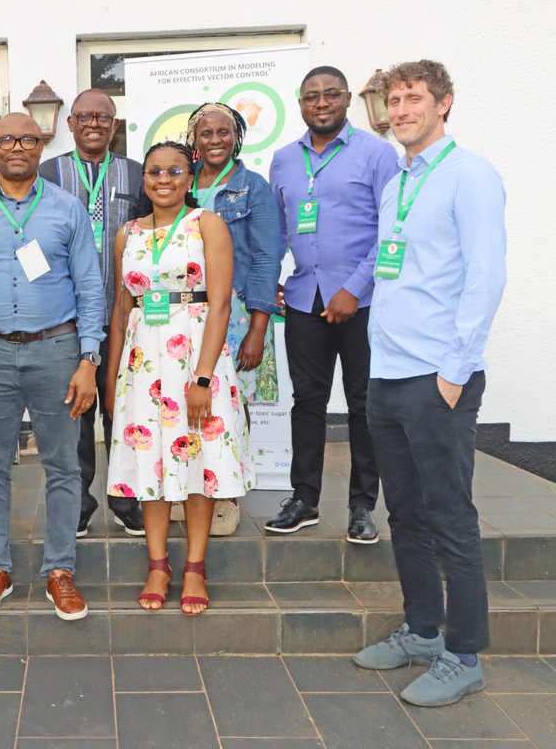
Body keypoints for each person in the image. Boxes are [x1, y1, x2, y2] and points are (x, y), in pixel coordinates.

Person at [352, 61, 506, 708]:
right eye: (394, 99)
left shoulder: (469, 175)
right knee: (405, 514)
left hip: (437, 378)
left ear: (443, 104)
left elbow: (486, 275)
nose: (402, 109)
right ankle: (421, 631)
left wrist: (455, 369)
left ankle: (463, 653)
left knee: (449, 517)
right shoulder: (400, 184)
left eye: (414, 98)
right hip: (387, 376)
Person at [0, 112, 104, 621]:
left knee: (63, 466)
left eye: (28, 139)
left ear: (41, 146)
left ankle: (60, 570)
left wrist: (89, 359)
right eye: (7, 139)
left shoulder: (67, 208)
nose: (17, 147)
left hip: (57, 351)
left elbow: (90, 287)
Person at [105, 141, 256, 616]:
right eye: (154, 171)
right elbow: (120, 310)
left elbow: (221, 304)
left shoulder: (206, 225)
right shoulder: (125, 234)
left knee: (196, 465)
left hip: (194, 356)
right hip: (141, 362)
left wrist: (204, 378)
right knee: (148, 463)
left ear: (189, 177)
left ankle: (194, 566)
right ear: (143, 180)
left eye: (174, 170)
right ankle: (157, 565)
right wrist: (112, 383)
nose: (163, 179)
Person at [266, 67, 399, 543]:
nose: (320, 103)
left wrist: (354, 289)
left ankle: (363, 506)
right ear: (300, 103)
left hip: (360, 304)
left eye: (330, 95)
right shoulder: (283, 160)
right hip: (304, 300)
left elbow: (392, 232)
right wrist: (271, 281)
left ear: (346, 99)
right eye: (310, 97)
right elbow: (280, 230)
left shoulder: (378, 155)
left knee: (364, 406)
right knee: (307, 404)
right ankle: (304, 499)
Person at [37, 88, 146, 539]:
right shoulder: (46, 174)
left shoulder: (138, 174)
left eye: (104, 116)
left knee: (123, 413)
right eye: (85, 116)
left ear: (115, 125)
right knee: (75, 415)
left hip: (125, 316)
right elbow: (30, 236)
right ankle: (78, 507)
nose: (94, 123)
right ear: (70, 124)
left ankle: (128, 501)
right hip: (68, 319)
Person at [186, 103, 281, 535]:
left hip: (239, 312)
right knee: (192, 401)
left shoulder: (252, 187)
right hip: (188, 314)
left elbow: (265, 259)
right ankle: (194, 488)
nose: (215, 140)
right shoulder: (182, 184)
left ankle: (226, 496)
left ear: (237, 136)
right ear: (194, 139)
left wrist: (259, 328)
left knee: (232, 405)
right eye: (206, 133)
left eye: (224, 132)